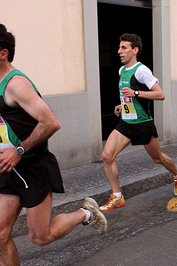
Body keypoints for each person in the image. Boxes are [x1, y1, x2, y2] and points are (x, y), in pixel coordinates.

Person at [0, 24, 107, 265]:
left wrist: (18, 151)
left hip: (32, 166)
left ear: (3, 53)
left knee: (40, 236)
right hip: (8, 168)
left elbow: (50, 123)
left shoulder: (16, 84)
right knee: (1, 234)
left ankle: (86, 213)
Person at [99, 33, 177, 212]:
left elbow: (160, 94)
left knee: (157, 158)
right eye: (119, 47)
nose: (119, 51)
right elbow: (128, 95)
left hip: (143, 124)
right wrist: (122, 105)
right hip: (126, 123)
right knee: (107, 156)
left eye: (124, 48)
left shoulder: (142, 70)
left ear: (135, 50)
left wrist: (136, 94)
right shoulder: (122, 71)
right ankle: (117, 196)